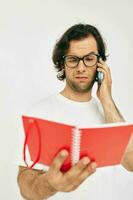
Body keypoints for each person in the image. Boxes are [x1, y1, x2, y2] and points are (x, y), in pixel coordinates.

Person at [17, 23, 125, 200]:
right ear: (62, 64)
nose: (81, 68)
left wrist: (107, 99)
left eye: (89, 59)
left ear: (100, 64)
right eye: (73, 59)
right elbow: (25, 188)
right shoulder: (38, 113)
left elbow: (131, 161)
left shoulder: (110, 112)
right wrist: (51, 184)